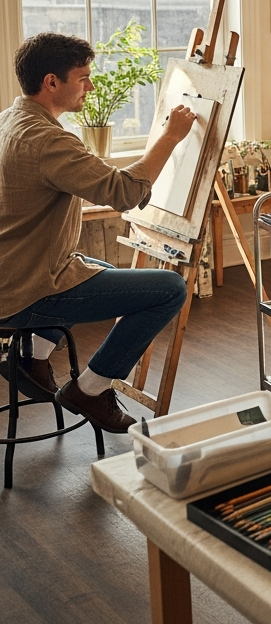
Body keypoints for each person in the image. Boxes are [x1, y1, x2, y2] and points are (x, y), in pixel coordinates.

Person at [0, 33, 195, 433]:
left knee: (94, 268)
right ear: (51, 82)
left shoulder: (9, 120)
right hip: (26, 291)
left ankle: (31, 360)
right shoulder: (47, 140)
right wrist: (170, 137)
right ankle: (89, 389)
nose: (91, 86)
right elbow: (124, 192)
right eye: (83, 77)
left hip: (13, 274)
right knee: (170, 288)